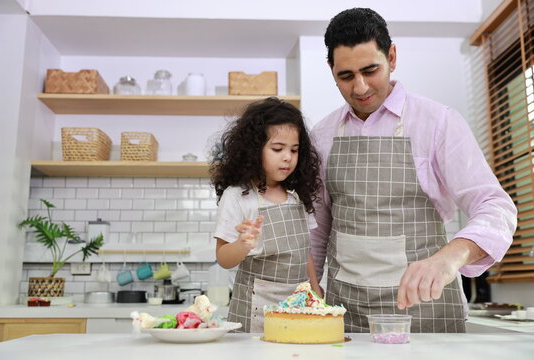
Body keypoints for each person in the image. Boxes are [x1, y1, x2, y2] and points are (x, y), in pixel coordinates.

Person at [310, 8, 517, 333]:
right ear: (331, 71)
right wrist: (309, 291)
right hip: (345, 315)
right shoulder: (321, 135)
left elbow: (496, 207)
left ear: (392, 57)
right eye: (346, 76)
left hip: (425, 315)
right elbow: (317, 229)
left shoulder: (438, 122)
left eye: (370, 70)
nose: (361, 87)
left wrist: (451, 256)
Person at [210, 97, 323, 333]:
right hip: (255, 309)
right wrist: (243, 244)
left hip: (298, 305)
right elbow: (223, 258)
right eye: (277, 149)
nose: (287, 157)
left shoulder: (297, 195)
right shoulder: (238, 196)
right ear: (253, 149)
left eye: (294, 150)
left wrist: (317, 293)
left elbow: (306, 253)